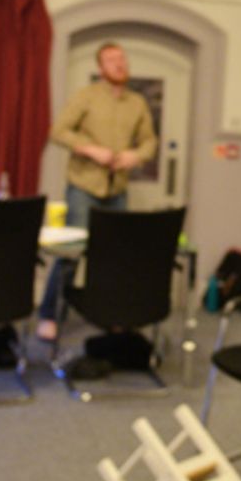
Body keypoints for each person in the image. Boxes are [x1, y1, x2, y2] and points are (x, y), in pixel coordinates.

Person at [36, 41, 158, 341]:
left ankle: (113, 317)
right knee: (71, 254)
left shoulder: (137, 103)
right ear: (101, 68)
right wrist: (90, 149)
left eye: (122, 59)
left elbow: (149, 142)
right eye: (112, 60)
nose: (120, 64)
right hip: (84, 186)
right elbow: (58, 131)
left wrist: (136, 156)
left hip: (117, 188)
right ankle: (50, 315)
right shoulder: (85, 97)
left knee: (114, 257)